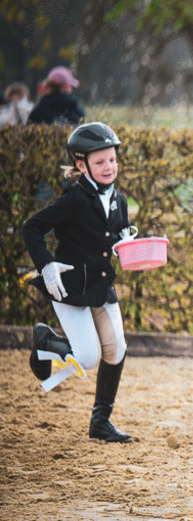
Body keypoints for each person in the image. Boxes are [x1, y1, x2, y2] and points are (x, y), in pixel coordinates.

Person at [21, 123, 136, 443]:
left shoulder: (119, 200)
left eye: (112, 160)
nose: (109, 167)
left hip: (101, 287)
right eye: (100, 162)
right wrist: (46, 265)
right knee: (87, 358)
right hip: (68, 286)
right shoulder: (72, 198)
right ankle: (45, 340)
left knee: (116, 349)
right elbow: (31, 228)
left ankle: (101, 422)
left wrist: (130, 248)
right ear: (82, 165)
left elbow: (116, 239)